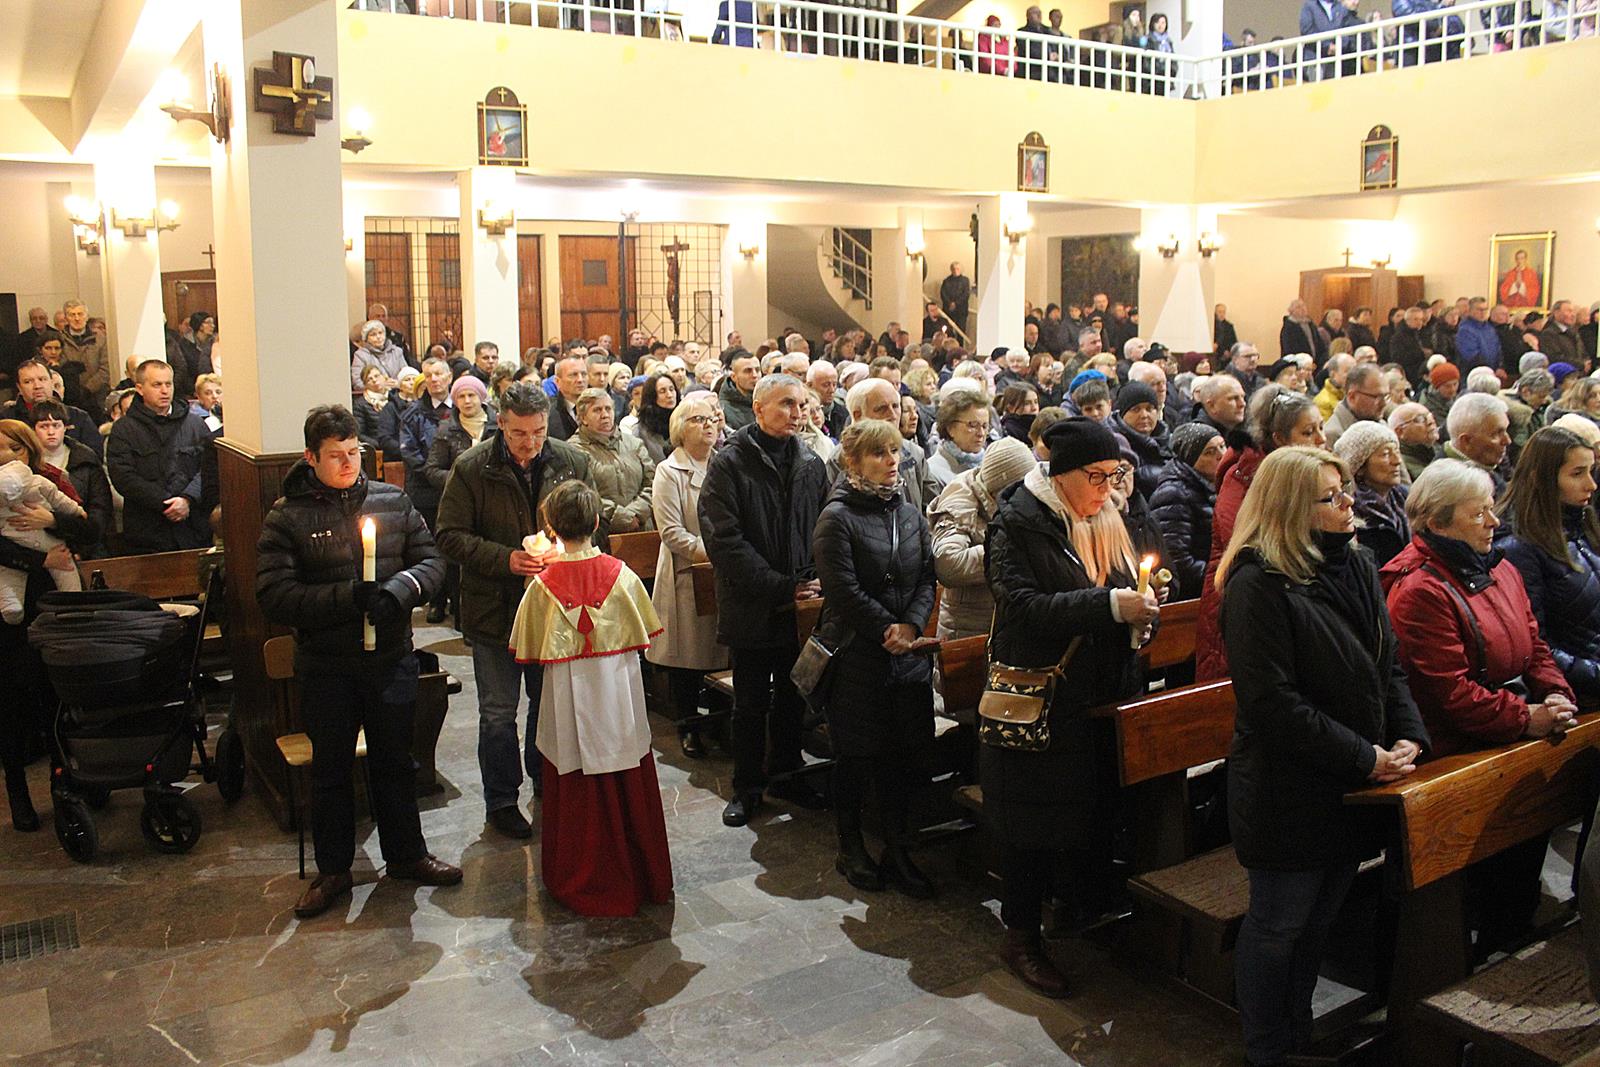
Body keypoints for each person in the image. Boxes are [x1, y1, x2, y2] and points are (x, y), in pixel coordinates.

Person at [1219, 446, 1427, 1067]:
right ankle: (1266, 1048)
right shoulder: (1257, 584)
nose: (1348, 504)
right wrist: (1364, 756)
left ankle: (1298, 1033)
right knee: (1278, 926)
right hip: (1287, 789)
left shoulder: (1356, 563)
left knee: (1316, 924)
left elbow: (1386, 663)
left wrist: (1407, 734)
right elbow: (1271, 703)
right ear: (1291, 508)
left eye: (1345, 491)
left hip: (1350, 783)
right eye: (1331, 497)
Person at [256, 405, 459, 919]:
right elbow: (274, 594)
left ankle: (407, 856)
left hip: (390, 659)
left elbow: (431, 561)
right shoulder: (287, 516)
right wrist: (347, 598)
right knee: (330, 771)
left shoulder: (392, 500)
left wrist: (399, 591)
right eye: (336, 456)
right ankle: (333, 871)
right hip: (327, 667)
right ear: (311, 457)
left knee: (396, 762)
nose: (349, 464)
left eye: (354, 453)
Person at [984, 417, 1161, 999]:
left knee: (1087, 810)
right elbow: (1023, 607)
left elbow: (1126, 594)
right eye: (1097, 476)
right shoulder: (1017, 523)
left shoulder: (1105, 517)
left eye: (1115, 475)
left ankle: (1077, 908)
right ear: (1061, 475)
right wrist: (1111, 605)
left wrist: (1143, 611)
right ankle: (1021, 937)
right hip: (1041, 699)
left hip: (1101, 695)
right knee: (1032, 823)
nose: (1108, 489)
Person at [1383, 459, 1576, 956]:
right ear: (1438, 523)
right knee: (1488, 868)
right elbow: (1449, 693)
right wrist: (1526, 718)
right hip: (1457, 747)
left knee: (1528, 839)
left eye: (1491, 509)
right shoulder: (1420, 589)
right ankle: (1476, 946)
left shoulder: (1498, 567)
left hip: (1505, 727)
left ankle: (1509, 930)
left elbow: (1534, 644)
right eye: (1478, 514)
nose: (1493, 522)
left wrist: (1555, 692)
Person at [435, 383, 594, 838]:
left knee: (548, 705)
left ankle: (546, 782)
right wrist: (507, 559)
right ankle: (502, 800)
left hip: (552, 609)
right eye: (520, 433)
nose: (530, 443)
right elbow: (449, 535)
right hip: (494, 609)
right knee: (498, 713)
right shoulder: (472, 467)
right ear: (501, 423)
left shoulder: (569, 460)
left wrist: (566, 549)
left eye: (539, 432)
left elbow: (590, 522)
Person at [509, 480, 672, 916]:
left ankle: (580, 873)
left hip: (567, 698)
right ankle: (640, 870)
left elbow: (528, 649)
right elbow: (647, 634)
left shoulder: (541, 587)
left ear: (550, 527)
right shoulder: (624, 577)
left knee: (573, 772)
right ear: (598, 521)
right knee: (625, 766)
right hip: (617, 696)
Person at [811, 419, 938, 897]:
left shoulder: (908, 512)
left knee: (901, 758)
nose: (892, 462)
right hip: (857, 656)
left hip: (906, 658)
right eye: (880, 453)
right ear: (853, 461)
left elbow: (926, 576)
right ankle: (850, 846)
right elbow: (842, 590)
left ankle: (897, 849)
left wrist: (913, 626)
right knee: (856, 757)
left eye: (895, 452)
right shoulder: (837, 517)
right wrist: (888, 628)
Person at [698, 373, 830, 827]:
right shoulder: (729, 463)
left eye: (801, 404)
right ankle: (747, 787)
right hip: (751, 604)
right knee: (751, 703)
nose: (797, 413)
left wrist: (814, 580)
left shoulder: (810, 462)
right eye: (786, 404)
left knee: (794, 696)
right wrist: (780, 585)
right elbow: (724, 541)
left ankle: (787, 775)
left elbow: (823, 527)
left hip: (799, 604)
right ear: (757, 409)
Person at [1196, 386, 1327, 680]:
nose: (1322, 439)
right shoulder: (1244, 478)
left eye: (1321, 427)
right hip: (1246, 603)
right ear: (1279, 438)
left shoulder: (1311, 473)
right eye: (1308, 432)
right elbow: (1246, 547)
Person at [646, 395, 728, 759]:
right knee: (689, 657)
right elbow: (671, 532)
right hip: (687, 570)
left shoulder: (723, 464)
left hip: (723, 571)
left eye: (711, 418)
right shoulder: (669, 471)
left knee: (720, 650)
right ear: (681, 427)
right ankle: (688, 726)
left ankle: (720, 724)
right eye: (697, 419)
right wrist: (717, 552)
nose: (707, 425)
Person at [1498, 427, 1600, 704]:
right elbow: (1536, 646)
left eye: (1591, 471)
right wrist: (1595, 674)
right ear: (1540, 477)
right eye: (1577, 474)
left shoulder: (1583, 525)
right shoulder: (1518, 547)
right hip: (1571, 696)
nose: (1591, 484)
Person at [928, 438, 1036, 641]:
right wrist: (1011, 550)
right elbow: (948, 564)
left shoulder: (1018, 500)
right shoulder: (959, 502)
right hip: (968, 629)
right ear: (1000, 491)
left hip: (1006, 621)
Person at [105, 359, 214, 553]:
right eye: (157, 385)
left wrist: (187, 498)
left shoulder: (194, 424)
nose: (165, 391)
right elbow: (123, 476)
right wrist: (165, 503)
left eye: (168, 384)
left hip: (192, 527)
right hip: (147, 530)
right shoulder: (124, 429)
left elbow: (208, 468)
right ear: (140, 388)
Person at [26, 399, 111, 559]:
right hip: (39, 545)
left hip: (85, 542)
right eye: (44, 426)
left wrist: (83, 551)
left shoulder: (85, 458)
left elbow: (100, 508)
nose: (51, 432)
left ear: (65, 427)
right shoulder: (26, 462)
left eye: (56, 425)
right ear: (33, 429)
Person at [1149, 423, 1225, 600]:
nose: (1221, 455)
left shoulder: (1220, 484)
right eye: (1209, 452)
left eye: (1222, 446)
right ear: (1191, 459)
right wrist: (1222, 576)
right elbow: (1178, 561)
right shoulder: (1174, 494)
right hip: (1195, 595)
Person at [570, 387, 655, 537]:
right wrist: (619, 516)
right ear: (583, 418)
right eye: (597, 410)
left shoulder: (634, 443)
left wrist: (637, 512)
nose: (604, 415)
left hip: (641, 528)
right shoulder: (573, 450)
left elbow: (653, 482)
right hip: (601, 532)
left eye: (608, 409)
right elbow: (581, 493)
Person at [1334, 421, 1411, 567]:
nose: (1397, 461)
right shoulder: (1351, 512)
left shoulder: (1404, 498)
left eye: (1397, 452)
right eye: (1386, 454)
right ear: (1360, 466)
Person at [424, 375, 497, 495]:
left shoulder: (498, 426)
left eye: (471, 395)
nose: (467, 401)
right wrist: (460, 479)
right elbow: (432, 470)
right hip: (459, 495)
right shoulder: (446, 429)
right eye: (461, 396)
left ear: (481, 397)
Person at [1444, 392, 1512, 495]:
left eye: (1506, 430)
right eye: (1496, 434)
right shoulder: (1451, 491)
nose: (1507, 441)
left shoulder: (1487, 464)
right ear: (1466, 441)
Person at [1112, 382, 1171, 497]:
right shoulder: (1114, 444)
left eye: (1149, 409)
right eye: (1135, 409)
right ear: (1122, 414)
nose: (1144, 415)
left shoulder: (1169, 441)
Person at [928, 390, 991, 492]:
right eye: (973, 425)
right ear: (950, 428)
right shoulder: (933, 472)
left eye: (985, 426)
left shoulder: (989, 464)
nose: (981, 433)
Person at [1323, 362, 1387, 450]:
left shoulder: (1382, 424)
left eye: (1386, 396)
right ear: (1352, 397)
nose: (1384, 403)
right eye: (1377, 397)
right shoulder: (1333, 435)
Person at [350, 319, 408, 398]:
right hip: (374, 398)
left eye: (380, 333)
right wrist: (379, 385)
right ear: (366, 339)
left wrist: (398, 383)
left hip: (399, 395)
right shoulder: (360, 355)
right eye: (373, 335)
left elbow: (406, 375)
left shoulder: (397, 351)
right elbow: (357, 383)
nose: (378, 337)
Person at [1390, 402, 1440, 480]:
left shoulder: (1433, 448)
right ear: (1400, 432)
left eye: (1430, 416)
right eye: (1420, 419)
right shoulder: (1401, 464)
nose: (1430, 422)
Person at [633, 372, 676, 463]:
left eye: (672, 389)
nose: (669, 395)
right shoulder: (640, 431)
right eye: (662, 391)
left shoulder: (685, 422)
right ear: (652, 396)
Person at [718, 350, 760, 433]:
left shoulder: (768, 401)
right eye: (748, 371)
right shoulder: (723, 408)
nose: (755, 375)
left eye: (757, 370)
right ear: (734, 377)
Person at [940, 262, 971, 330]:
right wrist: (949, 303)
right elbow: (943, 294)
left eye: (957, 269)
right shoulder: (946, 281)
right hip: (948, 310)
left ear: (960, 269)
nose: (955, 270)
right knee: (947, 330)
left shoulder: (965, 281)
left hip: (961, 311)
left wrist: (955, 304)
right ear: (951, 270)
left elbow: (966, 294)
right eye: (954, 269)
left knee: (961, 330)